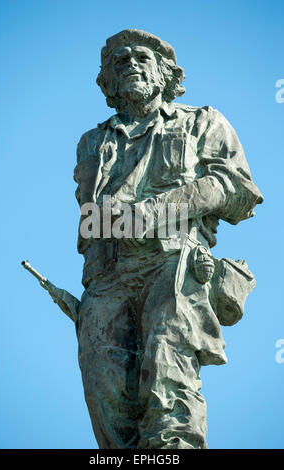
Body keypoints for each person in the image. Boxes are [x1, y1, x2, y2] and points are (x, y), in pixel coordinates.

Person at [74, 29, 263, 449]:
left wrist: (156, 212)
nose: (130, 65)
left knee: (167, 368)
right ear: (106, 80)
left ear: (166, 74)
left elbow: (237, 189)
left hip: (173, 265)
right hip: (107, 276)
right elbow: (88, 214)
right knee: (102, 382)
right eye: (118, 60)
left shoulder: (202, 122)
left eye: (143, 57)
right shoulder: (92, 143)